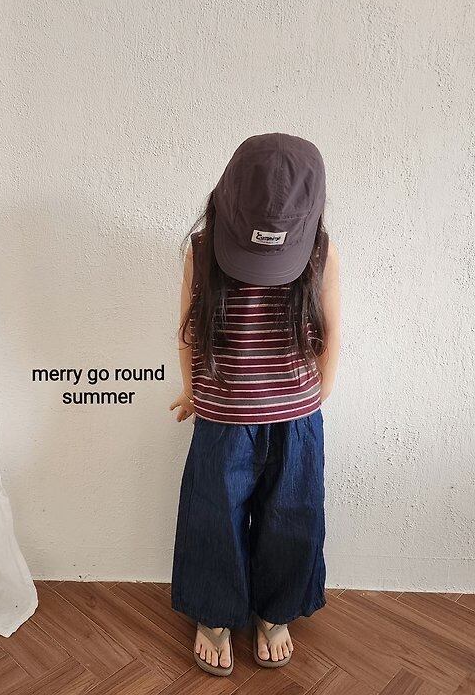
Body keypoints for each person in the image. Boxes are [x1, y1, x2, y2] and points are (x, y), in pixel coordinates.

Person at [169, 133, 341, 675]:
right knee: (214, 515)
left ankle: (275, 610)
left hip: (296, 418)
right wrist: (192, 389)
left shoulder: (320, 251)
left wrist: (319, 393)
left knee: (291, 513)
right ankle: (215, 612)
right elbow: (189, 330)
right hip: (222, 417)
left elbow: (331, 330)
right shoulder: (202, 251)